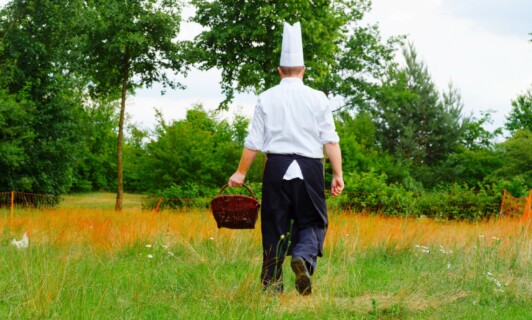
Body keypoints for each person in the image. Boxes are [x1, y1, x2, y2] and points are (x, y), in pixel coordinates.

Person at [227, 21, 344, 295]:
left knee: (274, 225)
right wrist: (338, 175)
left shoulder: (266, 97)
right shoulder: (318, 98)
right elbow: (331, 140)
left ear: (280, 71)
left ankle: (271, 287)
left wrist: (240, 173)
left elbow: (254, 141)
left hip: (276, 168)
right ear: (303, 70)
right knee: (314, 221)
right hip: (310, 168)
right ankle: (303, 256)